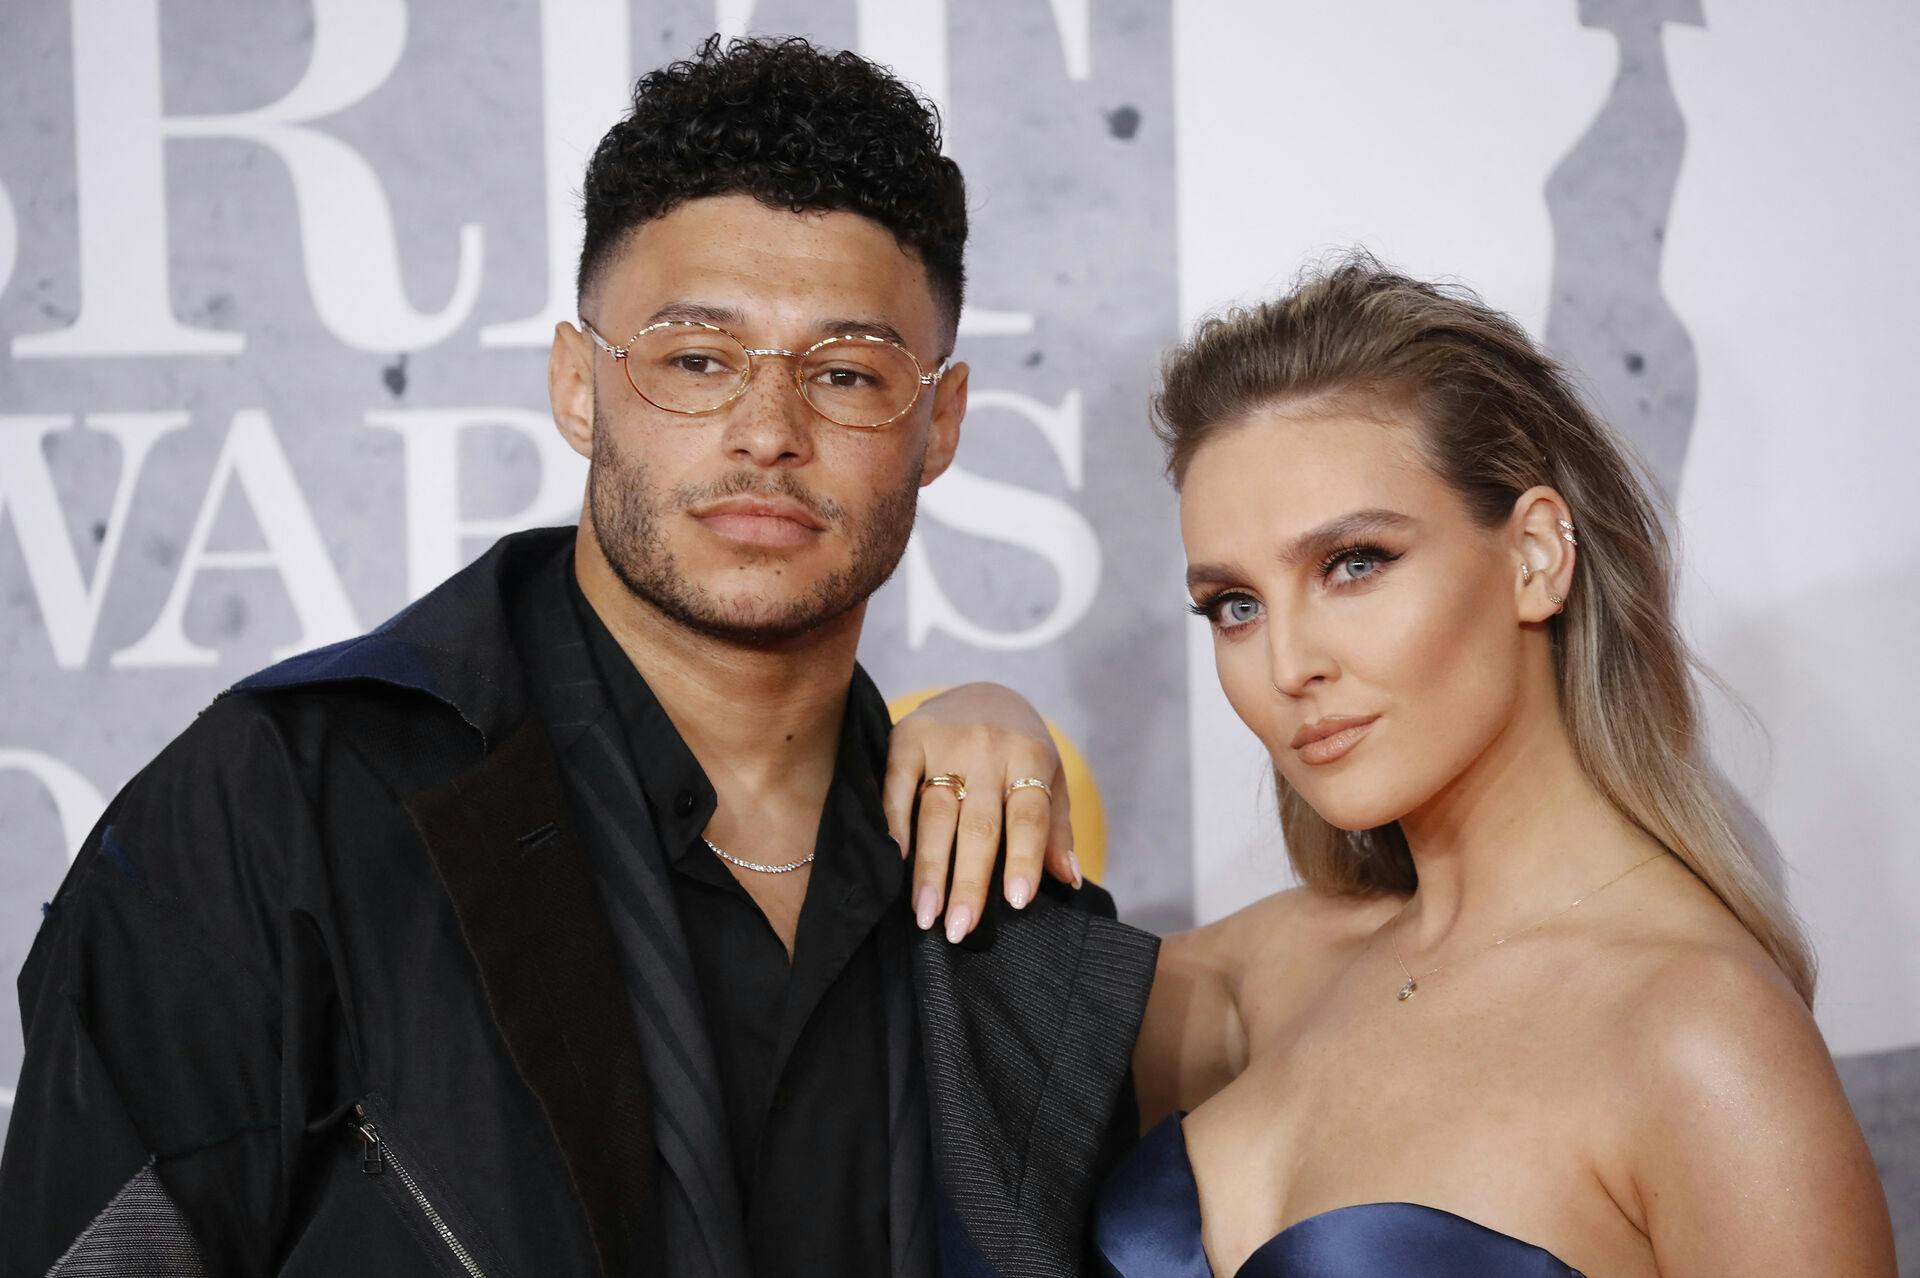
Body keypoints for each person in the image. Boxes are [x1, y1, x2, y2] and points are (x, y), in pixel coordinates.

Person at [0, 36, 1156, 1278]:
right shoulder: (285, 805)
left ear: (942, 425)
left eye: (847, 373)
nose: (768, 431)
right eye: (697, 360)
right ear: (576, 386)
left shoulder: (994, 900)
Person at [894, 259, 1897, 1275]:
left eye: (1353, 564)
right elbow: (937, 1036)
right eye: (1234, 606)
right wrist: (974, 712)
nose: (1289, 665)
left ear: (1538, 555)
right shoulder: (1268, 974)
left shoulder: (1703, 1040)